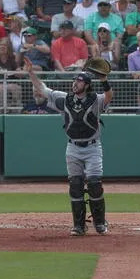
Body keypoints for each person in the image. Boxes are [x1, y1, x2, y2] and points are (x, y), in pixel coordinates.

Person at [25, 56, 113, 236]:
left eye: (79, 81)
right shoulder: (64, 99)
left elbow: (109, 96)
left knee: (95, 184)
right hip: (73, 147)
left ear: (87, 85)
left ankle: (100, 223)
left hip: (93, 147)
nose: (75, 83)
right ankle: (79, 225)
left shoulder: (95, 100)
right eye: (74, 80)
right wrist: (31, 73)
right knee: (75, 184)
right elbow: (42, 90)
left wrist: (104, 80)